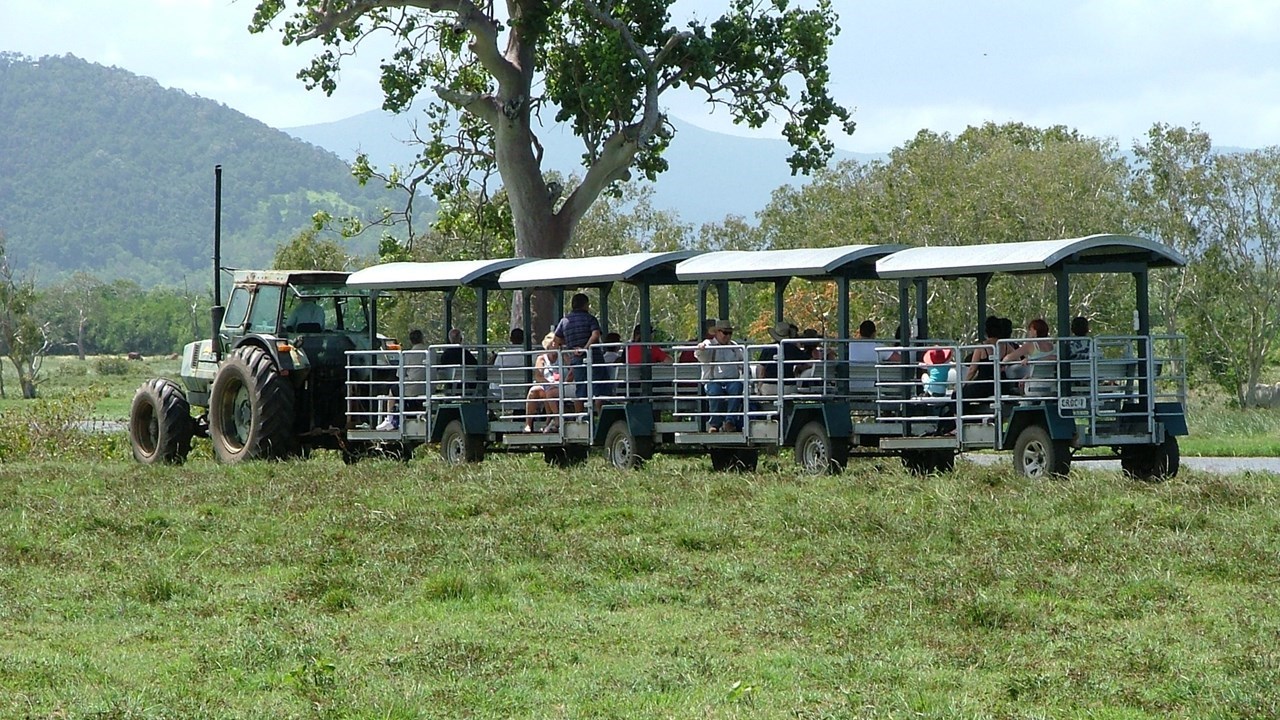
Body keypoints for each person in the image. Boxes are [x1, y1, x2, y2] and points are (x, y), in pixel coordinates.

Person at [554, 292, 603, 412]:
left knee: (580, 389)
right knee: (599, 390)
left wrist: (571, 348)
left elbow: (556, 340)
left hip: (577, 360)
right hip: (594, 358)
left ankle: (580, 419)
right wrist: (585, 348)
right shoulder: (590, 319)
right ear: (586, 305)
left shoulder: (564, 321)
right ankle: (601, 418)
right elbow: (595, 335)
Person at [695, 323, 745, 432]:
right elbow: (700, 354)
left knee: (737, 387)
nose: (727, 336)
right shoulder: (709, 344)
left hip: (732, 381)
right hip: (713, 380)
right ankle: (715, 424)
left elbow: (743, 362)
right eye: (725, 332)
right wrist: (701, 348)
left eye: (730, 333)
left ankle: (730, 422)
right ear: (717, 332)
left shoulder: (734, 346)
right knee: (714, 391)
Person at [1002, 318, 1057, 396]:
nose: (1029, 332)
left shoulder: (1030, 346)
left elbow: (1006, 359)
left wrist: (1030, 360)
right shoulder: (1054, 347)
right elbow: (1052, 359)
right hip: (1052, 386)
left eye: (1030, 330)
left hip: (1034, 387)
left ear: (1035, 331)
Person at [524, 333, 567, 433]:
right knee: (534, 391)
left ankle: (552, 419)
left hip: (562, 385)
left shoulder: (564, 356)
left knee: (550, 392)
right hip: (548, 385)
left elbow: (571, 369)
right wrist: (549, 382)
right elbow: (538, 376)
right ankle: (528, 424)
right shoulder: (542, 358)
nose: (561, 346)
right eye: (559, 344)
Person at [757, 321, 809, 396]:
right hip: (788, 388)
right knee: (792, 392)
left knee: (764, 389)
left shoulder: (767, 348)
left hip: (769, 388)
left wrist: (759, 386)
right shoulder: (792, 348)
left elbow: (761, 370)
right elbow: (808, 362)